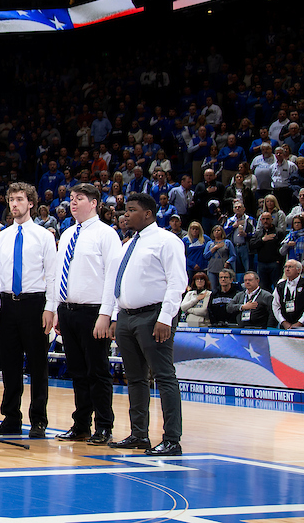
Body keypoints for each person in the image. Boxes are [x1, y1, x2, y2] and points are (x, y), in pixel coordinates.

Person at [99, 192, 186, 456]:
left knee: (163, 376)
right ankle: (139, 434)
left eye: (131, 210)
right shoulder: (127, 245)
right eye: (125, 210)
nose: (125, 215)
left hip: (153, 315)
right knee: (135, 379)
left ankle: (172, 438)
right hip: (126, 316)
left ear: (147, 213)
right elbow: (118, 285)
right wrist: (114, 317)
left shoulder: (166, 241)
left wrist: (165, 317)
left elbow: (177, 282)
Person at [51, 183, 122, 446]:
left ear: (94, 203)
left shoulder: (107, 234)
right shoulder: (68, 233)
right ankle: (81, 424)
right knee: (78, 372)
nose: (73, 202)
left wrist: (108, 314)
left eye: (79, 198)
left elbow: (113, 278)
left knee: (98, 372)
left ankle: (104, 426)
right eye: (71, 198)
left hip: (94, 312)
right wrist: (58, 308)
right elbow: (60, 274)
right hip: (68, 310)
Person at [0, 181, 57, 438]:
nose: (14, 204)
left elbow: (53, 276)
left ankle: (38, 420)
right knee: (10, 365)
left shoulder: (44, 236)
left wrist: (50, 308)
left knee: (38, 365)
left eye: (19, 199)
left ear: (31, 203)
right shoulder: (1, 237)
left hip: (35, 304)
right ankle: (11, 418)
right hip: (8, 305)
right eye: (11, 199)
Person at [272, 258, 304, 330]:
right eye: (285, 267)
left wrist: (300, 322)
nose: (287, 269)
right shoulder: (280, 285)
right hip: (285, 327)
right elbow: (275, 306)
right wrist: (283, 322)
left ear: (298, 270)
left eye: (290, 267)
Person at [204, 225, 233, 291]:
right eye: (215, 230)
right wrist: (214, 248)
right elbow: (205, 256)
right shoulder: (209, 243)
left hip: (224, 269)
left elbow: (233, 255)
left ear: (222, 232)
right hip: (212, 269)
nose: (216, 232)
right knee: (213, 289)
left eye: (218, 230)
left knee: (224, 288)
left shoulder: (227, 242)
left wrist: (228, 262)